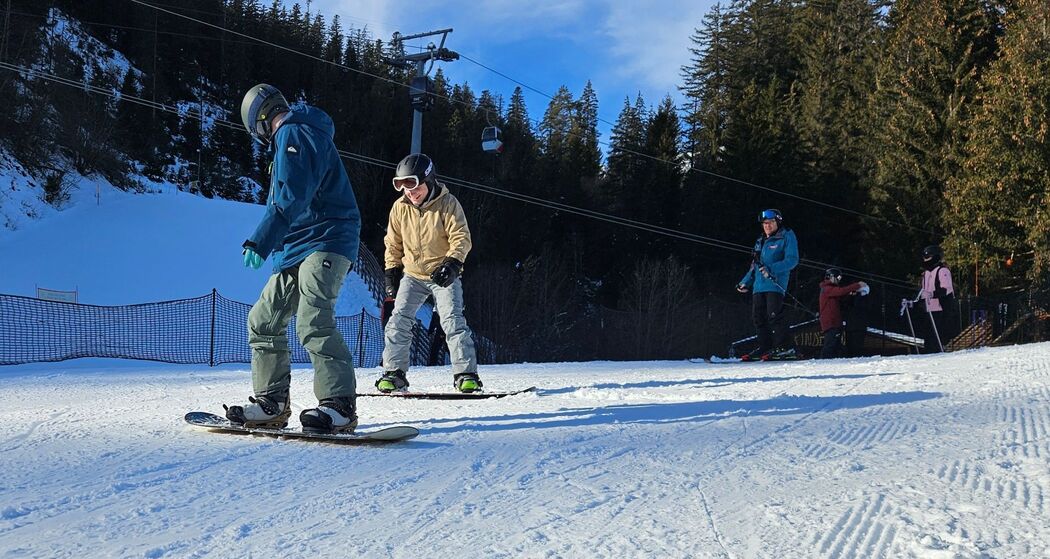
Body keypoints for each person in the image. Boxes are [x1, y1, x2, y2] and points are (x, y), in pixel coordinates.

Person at [223, 84, 362, 434]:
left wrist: (260, 240)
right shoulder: (293, 135)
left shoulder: (293, 132)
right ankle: (272, 402)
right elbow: (295, 201)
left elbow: (292, 195)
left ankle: (338, 405)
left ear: (257, 121)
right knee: (263, 319)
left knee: (312, 319)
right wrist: (280, 251)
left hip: (327, 238)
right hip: (298, 245)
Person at [378, 153, 481, 393]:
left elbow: (461, 237)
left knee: (452, 321)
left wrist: (452, 264)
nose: (410, 193)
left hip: (443, 274)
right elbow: (392, 244)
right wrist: (391, 272)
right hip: (413, 275)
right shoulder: (399, 208)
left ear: (429, 180)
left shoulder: (448, 204)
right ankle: (394, 373)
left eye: (414, 185)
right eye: (402, 186)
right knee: (398, 320)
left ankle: (466, 374)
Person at [736, 209, 800, 360]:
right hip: (758, 286)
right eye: (765, 223)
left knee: (774, 315)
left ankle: (785, 347)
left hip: (774, 284)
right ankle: (765, 347)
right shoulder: (760, 241)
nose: (767, 226)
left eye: (770, 223)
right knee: (758, 317)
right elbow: (755, 266)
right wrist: (745, 282)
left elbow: (792, 260)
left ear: (778, 222)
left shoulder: (786, 236)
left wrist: (772, 269)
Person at [817, 268, 868, 359]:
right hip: (831, 322)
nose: (839, 280)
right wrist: (857, 285)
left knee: (836, 344)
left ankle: (832, 361)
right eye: (838, 277)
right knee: (830, 344)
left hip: (834, 322)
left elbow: (841, 296)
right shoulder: (827, 288)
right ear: (831, 277)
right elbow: (841, 291)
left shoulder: (830, 289)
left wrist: (851, 293)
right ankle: (824, 361)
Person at [918, 244, 957, 353]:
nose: (925, 260)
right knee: (928, 335)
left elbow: (946, 289)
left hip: (941, 309)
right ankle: (928, 353)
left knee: (937, 335)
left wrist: (931, 294)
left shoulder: (942, 271)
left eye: (928, 258)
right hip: (929, 309)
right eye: (924, 258)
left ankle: (938, 351)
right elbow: (923, 290)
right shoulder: (926, 273)